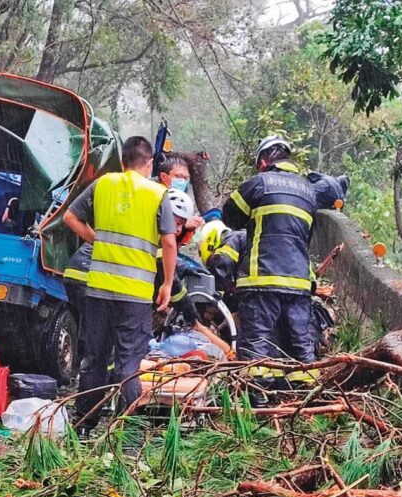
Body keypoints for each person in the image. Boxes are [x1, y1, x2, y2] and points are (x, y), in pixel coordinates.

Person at [62, 136, 177, 437]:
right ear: (150, 163)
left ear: (122, 160)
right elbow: (168, 241)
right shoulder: (157, 193)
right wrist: (166, 283)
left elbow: (70, 217)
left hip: (99, 290)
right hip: (136, 296)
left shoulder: (103, 185)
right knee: (128, 364)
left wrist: (96, 238)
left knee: (94, 359)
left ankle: (84, 424)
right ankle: (130, 430)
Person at [62, 190, 231, 357]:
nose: (178, 230)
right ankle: (107, 379)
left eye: (182, 225)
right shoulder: (155, 234)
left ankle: (93, 376)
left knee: (95, 336)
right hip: (90, 276)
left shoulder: (145, 224)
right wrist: (191, 315)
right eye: (177, 223)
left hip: (78, 274)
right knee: (112, 338)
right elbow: (171, 281)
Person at [222, 135, 319, 401]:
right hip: (299, 283)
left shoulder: (258, 183)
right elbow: (306, 238)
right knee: (299, 348)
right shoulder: (309, 192)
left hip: (261, 279)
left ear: (263, 162)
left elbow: (229, 217)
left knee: (256, 345)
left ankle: (258, 406)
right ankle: (303, 407)